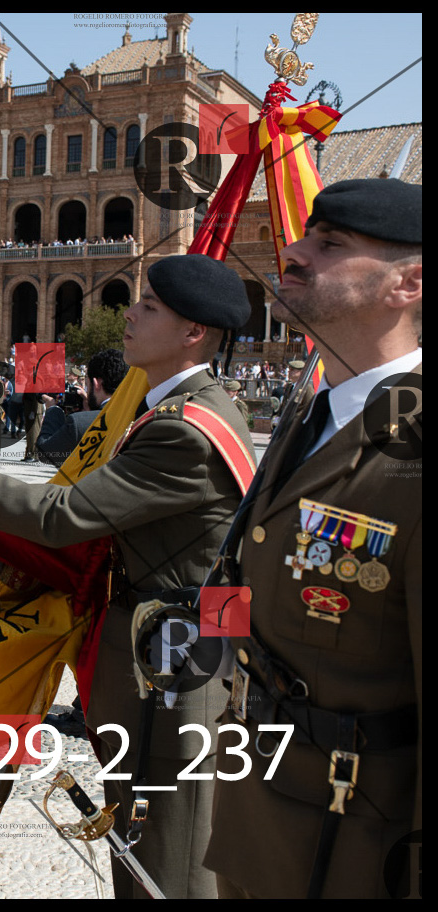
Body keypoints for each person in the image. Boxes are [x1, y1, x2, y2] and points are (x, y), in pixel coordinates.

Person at [0, 254, 257, 899]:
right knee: (144, 835)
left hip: (171, 666)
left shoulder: (184, 431)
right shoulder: (176, 409)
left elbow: (65, 515)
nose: (130, 315)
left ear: (193, 332)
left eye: (149, 307)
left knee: (165, 848)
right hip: (163, 647)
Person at [205, 179, 422, 899]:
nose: (293, 253)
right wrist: (200, 643)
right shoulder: (314, 409)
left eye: (330, 244)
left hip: (353, 838)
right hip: (255, 797)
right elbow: (255, 556)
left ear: (408, 283)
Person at [37, 348, 130, 468]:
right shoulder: (137, 416)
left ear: (96, 384)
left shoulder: (79, 423)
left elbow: (46, 453)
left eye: (88, 383)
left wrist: (53, 410)